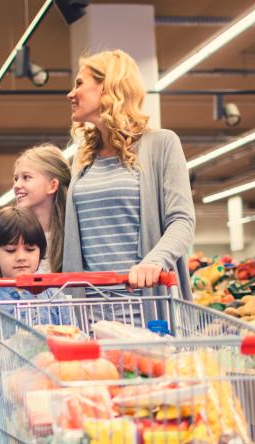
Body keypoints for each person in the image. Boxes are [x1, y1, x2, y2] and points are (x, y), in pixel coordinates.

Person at [62, 49, 195, 313]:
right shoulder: (83, 158)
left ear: (107, 86)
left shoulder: (161, 144)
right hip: (91, 315)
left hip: (146, 309)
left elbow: (182, 220)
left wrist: (155, 261)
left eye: (79, 83)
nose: (70, 93)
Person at [0, 206, 66, 444]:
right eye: (10, 250)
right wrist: (7, 346)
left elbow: (70, 348)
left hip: (51, 413)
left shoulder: (54, 294)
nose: (21, 256)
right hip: (1, 417)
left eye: (30, 249)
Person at [12, 144, 72, 273]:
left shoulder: (72, 238)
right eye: (16, 178)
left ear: (52, 185)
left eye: (26, 177)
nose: (16, 185)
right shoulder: (12, 237)